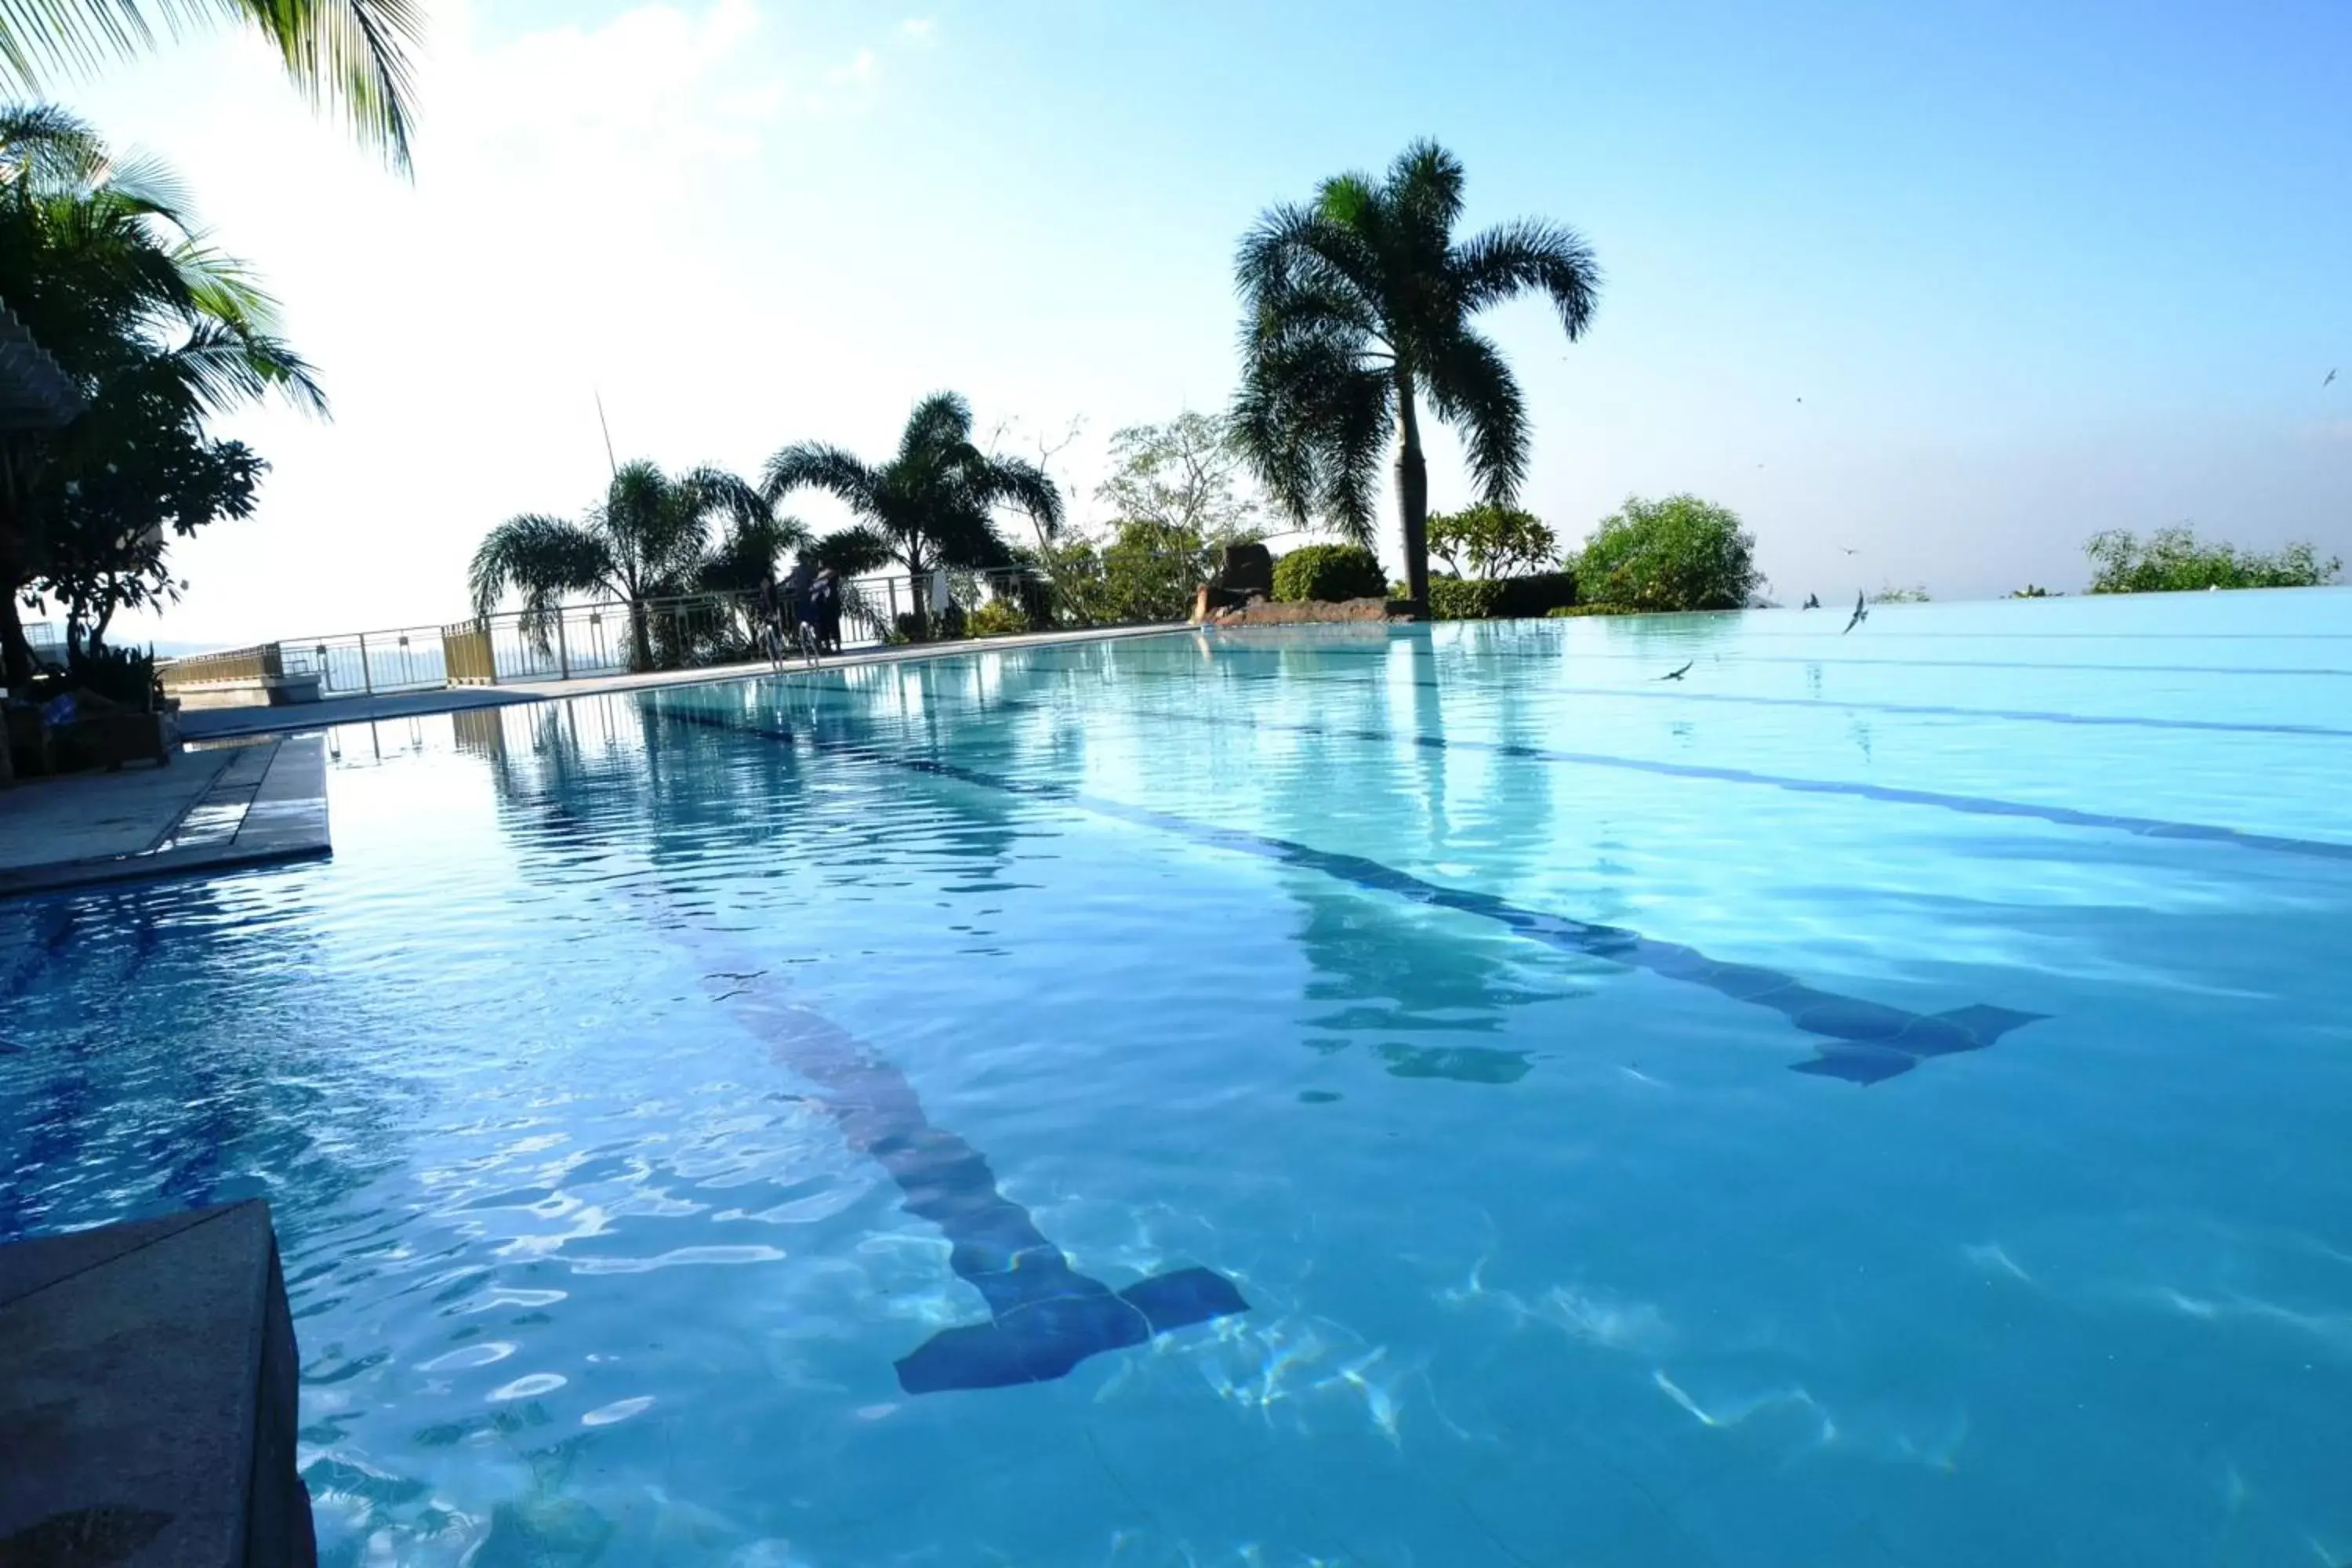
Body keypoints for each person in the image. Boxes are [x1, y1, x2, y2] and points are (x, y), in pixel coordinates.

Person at [811, 567, 843, 655]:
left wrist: (818, 580)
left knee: (834, 625)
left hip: (831, 603)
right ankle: (828, 647)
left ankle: (838, 647)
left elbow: (832, 572)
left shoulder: (830, 574)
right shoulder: (817, 577)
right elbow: (811, 589)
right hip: (821, 603)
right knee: (823, 626)